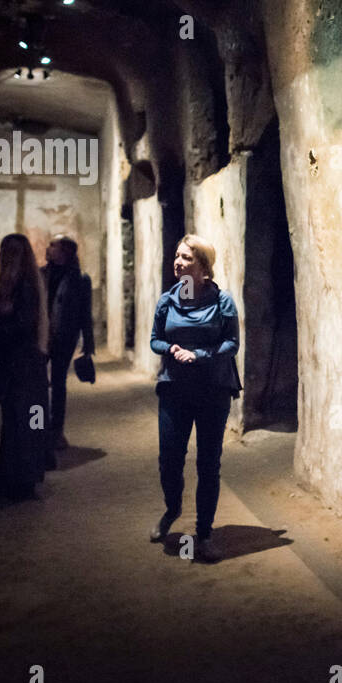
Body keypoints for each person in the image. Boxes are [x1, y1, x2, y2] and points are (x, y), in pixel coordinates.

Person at [149, 234, 241, 562]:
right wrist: (171, 349)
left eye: (187, 258)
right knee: (169, 460)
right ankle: (172, 508)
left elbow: (232, 343)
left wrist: (200, 355)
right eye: (177, 256)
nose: (178, 262)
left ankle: (204, 533)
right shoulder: (167, 301)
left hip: (212, 389)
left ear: (203, 267)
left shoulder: (222, 301)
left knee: (208, 464)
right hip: (174, 388)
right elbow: (155, 339)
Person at [0, 233, 50, 507]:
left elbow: (23, 328)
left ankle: (16, 482)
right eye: (4, 251)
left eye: (12, 252)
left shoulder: (25, 287)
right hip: (17, 367)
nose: (7, 257)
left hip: (25, 368)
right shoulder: (13, 284)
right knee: (17, 423)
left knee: (23, 423)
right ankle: (19, 480)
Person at [41, 234, 95, 452]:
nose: (48, 248)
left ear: (65, 251)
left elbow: (85, 313)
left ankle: (56, 431)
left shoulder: (79, 279)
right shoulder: (41, 275)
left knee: (58, 383)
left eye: (53, 245)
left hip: (64, 338)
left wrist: (88, 342)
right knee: (37, 386)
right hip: (40, 337)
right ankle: (37, 428)